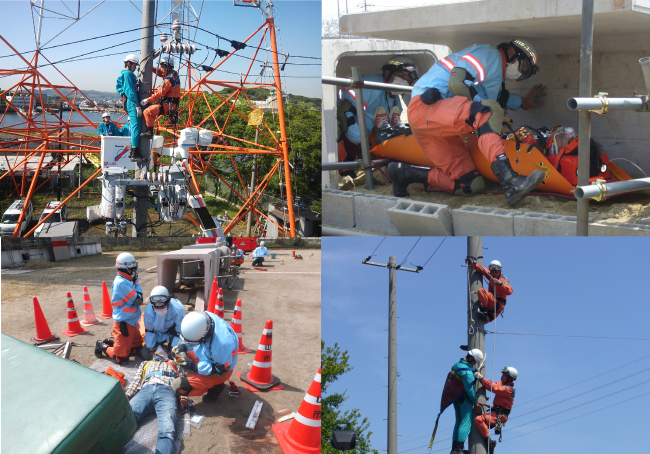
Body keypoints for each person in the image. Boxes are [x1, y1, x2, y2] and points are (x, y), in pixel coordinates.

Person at [388, 39, 546, 205]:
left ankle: (403, 173)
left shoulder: (493, 75)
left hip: (432, 122)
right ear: (513, 54)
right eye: (524, 67)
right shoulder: (491, 54)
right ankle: (510, 180)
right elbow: (458, 81)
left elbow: (495, 97)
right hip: (427, 108)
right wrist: (485, 112)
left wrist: (523, 102)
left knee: (468, 184)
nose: (521, 73)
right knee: (487, 111)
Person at [337, 56, 418, 175]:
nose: (405, 82)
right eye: (401, 76)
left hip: (373, 138)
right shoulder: (370, 86)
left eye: (408, 79)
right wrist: (361, 143)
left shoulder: (394, 94)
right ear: (387, 73)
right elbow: (343, 114)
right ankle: (346, 168)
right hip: (352, 139)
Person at [125, 347, 184, 454]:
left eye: (164, 350)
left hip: (167, 390)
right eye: (156, 350)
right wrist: (128, 395)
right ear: (152, 354)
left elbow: (183, 381)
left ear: (168, 353)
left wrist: (184, 398)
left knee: (167, 428)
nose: (160, 352)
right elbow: (136, 379)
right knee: (126, 418)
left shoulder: (174, 364)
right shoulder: (146, 363)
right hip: (146, 389)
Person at [171, 311, 239, 403]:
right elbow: (191, 338)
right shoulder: (202, 318)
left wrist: (193, 366)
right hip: (206, 354)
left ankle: (215, 387)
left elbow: (221, 371)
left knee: (178, 387)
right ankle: (208, 382)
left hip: (221, 370)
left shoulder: (222, 345)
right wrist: (183, 346)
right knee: (180, 353)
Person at [95, 252, 144, 365]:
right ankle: (102, 346)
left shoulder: (125, 280)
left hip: (132, 321)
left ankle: (115, 343)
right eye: (133, 269)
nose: (134, 271)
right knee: (121, 358)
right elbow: (138, 301)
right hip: (124, 323)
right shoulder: (121, 283)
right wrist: (137, 285)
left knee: (137, 348)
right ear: (127, 269)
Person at [474, 366, 517, 454]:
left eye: (504, 375)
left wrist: (481, 378)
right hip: (496, 412)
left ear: (509, 378)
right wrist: (482, 379)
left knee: (479, 420)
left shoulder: (509, 389)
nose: (502, 376)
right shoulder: (502, 385)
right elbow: (491, 384)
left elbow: (494, 388)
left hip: (500, 415)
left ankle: (489, 443)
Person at [450, 348, 484, 454]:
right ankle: (459, 449)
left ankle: (454, 449)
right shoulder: (467, 372)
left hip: (455, 398)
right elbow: (470, 390)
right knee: (466, 423)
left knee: (458, 422)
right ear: (471, 358)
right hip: (465, 399)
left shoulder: (456, 364)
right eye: (475, 361)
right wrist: (475, 402)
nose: (474, 364)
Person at [140, 55, 181, 137]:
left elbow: (159, 94)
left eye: (163, 67)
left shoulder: (167, 81)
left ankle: (149, 132)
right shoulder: (173, 74)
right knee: (150, 106)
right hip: (171, 104)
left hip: (168, 105)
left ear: (168, 67)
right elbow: (160, 72)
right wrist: (150, 68)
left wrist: (147, 100)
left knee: (147, 111)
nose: (161, 69)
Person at [142, 286, 186, 360]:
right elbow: (150, 331)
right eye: (157, 308)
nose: (160, 309)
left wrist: (173, 348)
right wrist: (152, 349)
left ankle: (170, 347)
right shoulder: (149, 310)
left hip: (173, 334)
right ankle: (160, 346)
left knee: (175, 356)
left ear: (168, 302)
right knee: (146, 355)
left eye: (162, 307)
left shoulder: (178, 309)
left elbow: (180, 331)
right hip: (158, 334)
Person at [116, 53, 144, 163]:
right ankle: (134, 153)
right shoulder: (127, 74)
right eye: (134, 65)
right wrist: (137, 105)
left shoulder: (126, 74)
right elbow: (129, 90)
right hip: (132, 103)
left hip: (131, 102)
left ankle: (132, 151)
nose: (135, 67)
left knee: (135, 127)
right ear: (129, 63)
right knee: (136, 127)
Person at [466, 258, 513, 323]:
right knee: (477, 324)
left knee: (481, 291)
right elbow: (482, 270)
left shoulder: (503, 280)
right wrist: (472, 264)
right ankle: (484, 313)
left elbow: (509, 291)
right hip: (493, 308)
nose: (493, 274)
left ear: (499, 272)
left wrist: (500, 283)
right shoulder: (491, 275)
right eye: (492, 272)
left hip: (497, 304)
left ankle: (484, 312)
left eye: (496, 272)